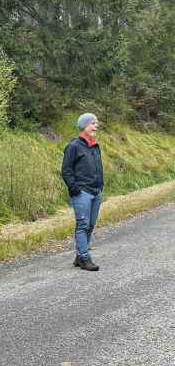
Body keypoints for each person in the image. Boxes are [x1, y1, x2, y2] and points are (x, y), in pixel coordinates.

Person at [61, 113, 103, 272]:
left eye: (96, 123)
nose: (96, 126)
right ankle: (85, 258)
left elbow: (98, 167)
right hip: (82, 193)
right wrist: (75, 189)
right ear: (84, 125)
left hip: (96, 191)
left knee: (90, 225)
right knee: (83, 225)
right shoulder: (73, 146)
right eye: (93, 123)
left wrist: (100, 185)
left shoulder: (95, 145)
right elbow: (66, 171)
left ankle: (79, 256)